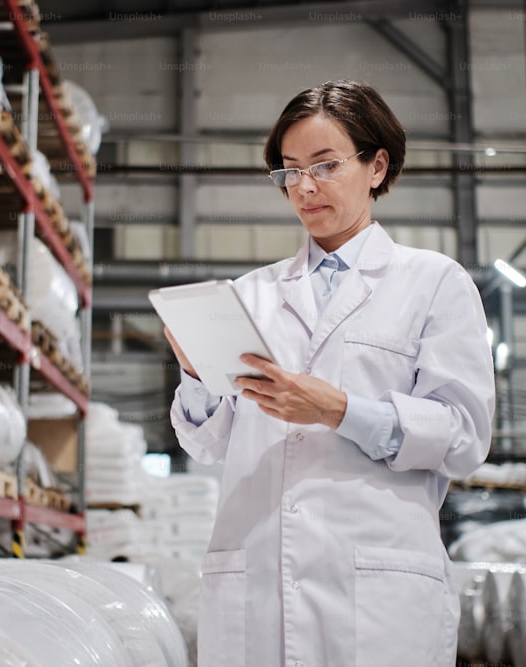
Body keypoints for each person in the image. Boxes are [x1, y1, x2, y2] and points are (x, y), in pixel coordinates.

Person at [165, 80, 495, 666]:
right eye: (289, 171)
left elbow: (465, 436)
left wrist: (339, 411)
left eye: (325, 165)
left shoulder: (434, 282)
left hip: (377, 592)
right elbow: (207, 443)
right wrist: (196, 377)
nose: (305, 187)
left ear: (377, 165)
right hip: (260, 582)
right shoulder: (248, 295)